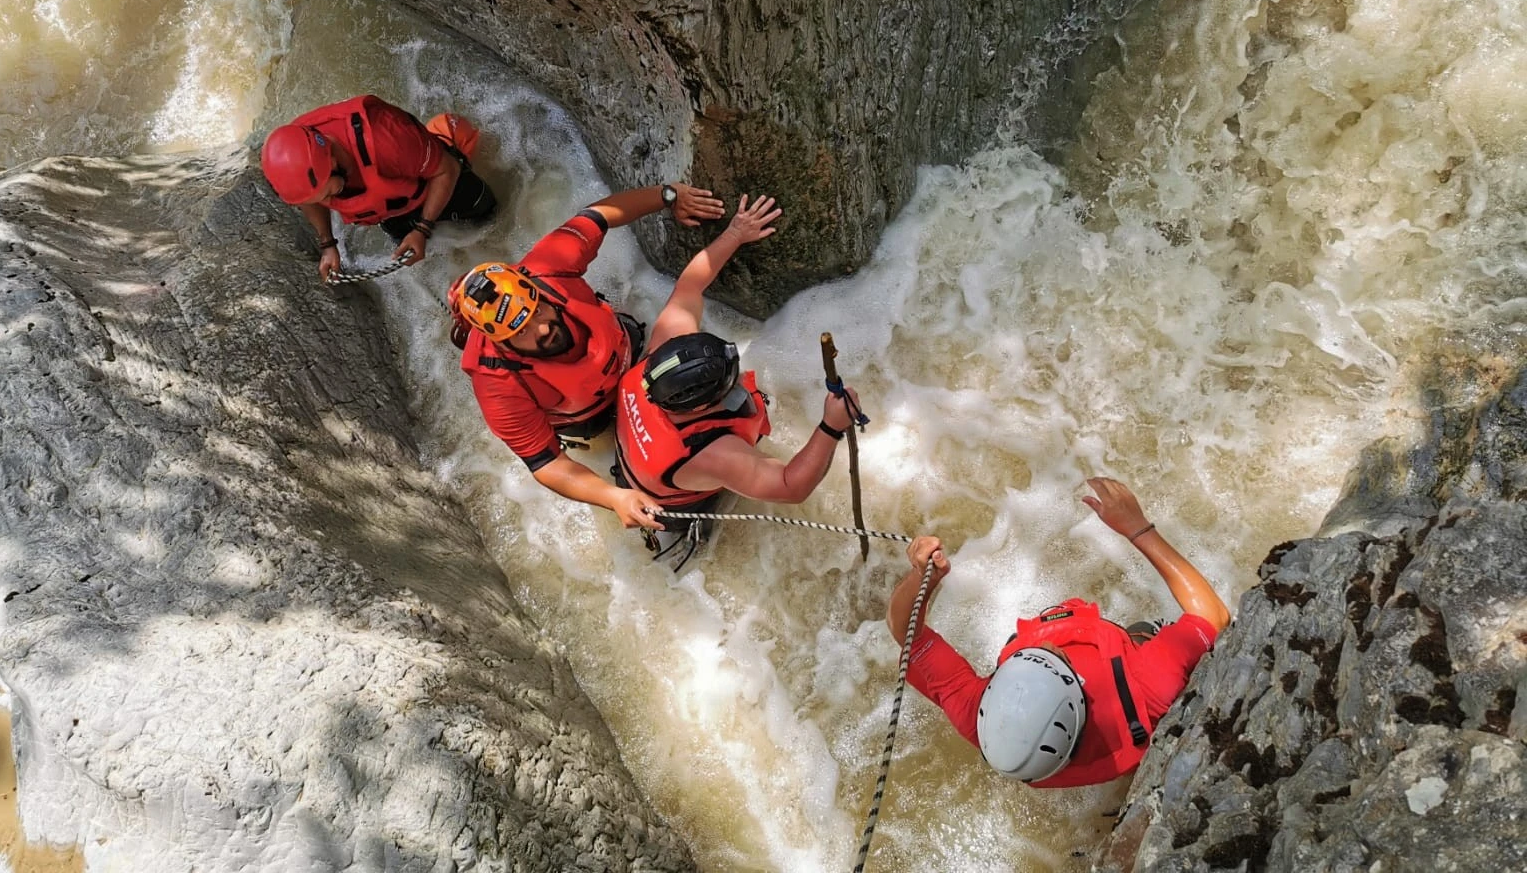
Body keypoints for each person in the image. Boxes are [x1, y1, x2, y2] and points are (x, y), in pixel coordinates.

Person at [887, 477, 1231, 788]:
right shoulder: (1147, 684)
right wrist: (1138, 528)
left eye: (1031, 655)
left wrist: (923, 578)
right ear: (1078, 690)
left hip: (1075, 753)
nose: (1049, 641)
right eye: (1056, 657)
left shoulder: (981, 717)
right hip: (1128, 702)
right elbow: (1212, 614)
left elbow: (906, 633)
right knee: (1145, 634)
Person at [448, 181, 725, 528]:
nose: (542, 330)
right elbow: (546, 463)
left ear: (536, 291)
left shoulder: (548, 268)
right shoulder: (498, 384)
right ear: (501, 343)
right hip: (592, 415)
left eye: (537, 312)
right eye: (521, 333)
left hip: (627, 348)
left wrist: (670, 196)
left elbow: (599, 215)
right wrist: (613, 497)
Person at [612, 194, 864, 539]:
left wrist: (736, 233)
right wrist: (831, 427)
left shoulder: (660, 361)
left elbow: (690, 286)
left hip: (638, 463)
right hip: (672, 503)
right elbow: (791, 487)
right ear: (701, 405)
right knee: (705, 530)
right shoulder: (714, 453)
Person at [260, 94, 496, 282]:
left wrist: (423, 229)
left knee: (491, 218)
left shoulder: (387, 140)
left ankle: (447, 137)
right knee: (424, 263)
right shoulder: (303, 160)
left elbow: (447, 170)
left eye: (327, 194)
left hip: (437, 179)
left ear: (331, 162)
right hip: (394, 207)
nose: (328, 202)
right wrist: (328, 244)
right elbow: (308, 199)